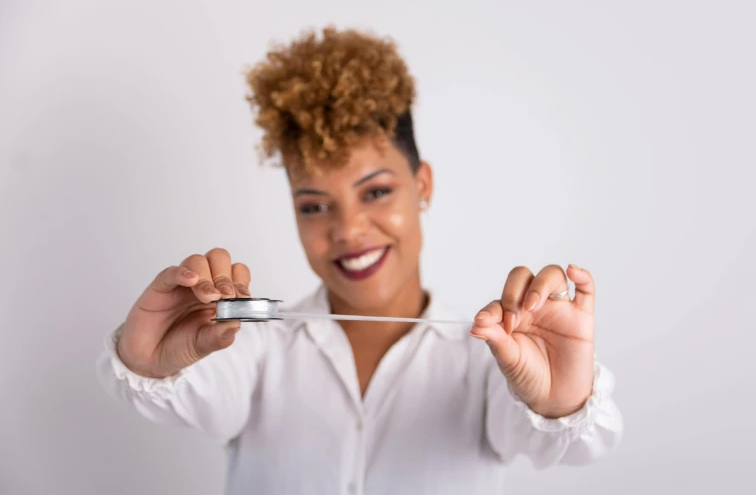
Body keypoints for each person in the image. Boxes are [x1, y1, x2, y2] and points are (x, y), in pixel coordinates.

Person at [96, 26, 623, 495]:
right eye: (315, 205)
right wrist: (147, 359)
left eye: (374, 192)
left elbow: (572, 446)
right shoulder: (250, 347)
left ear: (423, 186)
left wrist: (560, 401)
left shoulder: (489, 365)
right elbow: (188, 395)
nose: (347, 230)